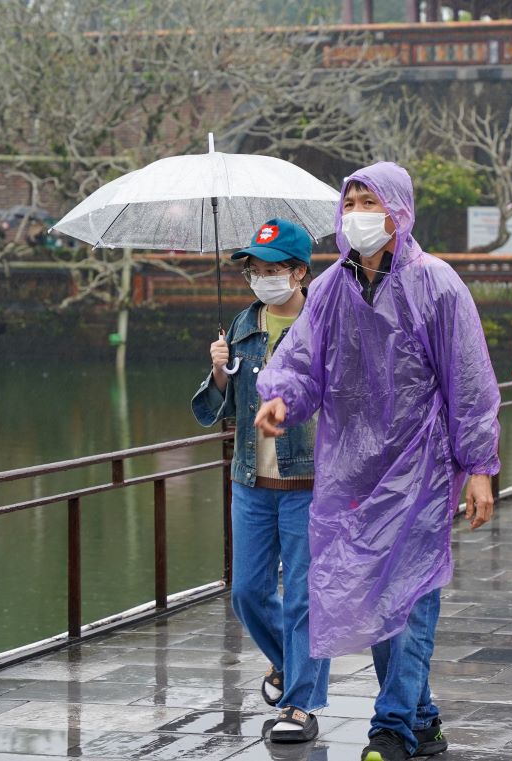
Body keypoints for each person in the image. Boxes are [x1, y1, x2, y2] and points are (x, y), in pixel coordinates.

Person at [254, 161, 501, 761]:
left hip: (421, 466)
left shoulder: (435, 285)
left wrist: (479, 468)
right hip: (354, 469)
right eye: (351, 203)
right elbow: (304, 359)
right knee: (377, 597)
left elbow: (469, 381)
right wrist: (283, 398)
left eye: (371, 203)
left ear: (399, 212)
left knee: (409, 595)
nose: (358, 214)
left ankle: (390, 728)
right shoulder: (332, 288)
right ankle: (423, 718)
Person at [191, 218, 330, 744]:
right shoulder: (242, 324)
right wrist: (219, 371)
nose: (262, 278)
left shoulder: (322, 324)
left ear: (299, 272)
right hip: (250, 481)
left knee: (302, 597)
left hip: (308, 482)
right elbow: (216, 410)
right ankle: (290, 663)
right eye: (254, 269)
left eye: (272, 269)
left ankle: (300, 703)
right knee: (247, 592)